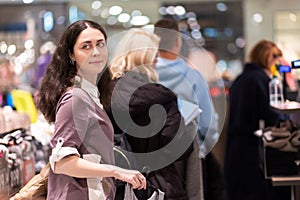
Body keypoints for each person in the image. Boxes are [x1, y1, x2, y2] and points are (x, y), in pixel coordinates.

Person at [35, 20, 146, 200]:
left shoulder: (92, 94)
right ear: (71, 54)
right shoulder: (75, 98)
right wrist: (117, 172)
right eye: (86, 46)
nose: (96, 52)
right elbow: (62, 161)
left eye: (100, 44)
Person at [99, 28, 193, 200]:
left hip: (114, 184)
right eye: (155, 55)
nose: (158, 60)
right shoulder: (162, 99)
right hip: (157, 185)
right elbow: (180, 148)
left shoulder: (103, 94)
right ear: (145, 57)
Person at [154, 18, 226, 200]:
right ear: (178, 42)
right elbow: (208, 124)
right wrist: (202, 149)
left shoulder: (144, 76)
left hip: (152, 158)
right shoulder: (193, 77)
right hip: (189, 156)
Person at [224, 39, 290, 200]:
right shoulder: (261, 80)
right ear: (267, 57)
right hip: (252, 150)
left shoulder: (241, 79)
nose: (278, 62)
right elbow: (271, 114)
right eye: (275, 57)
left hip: (235, 148)